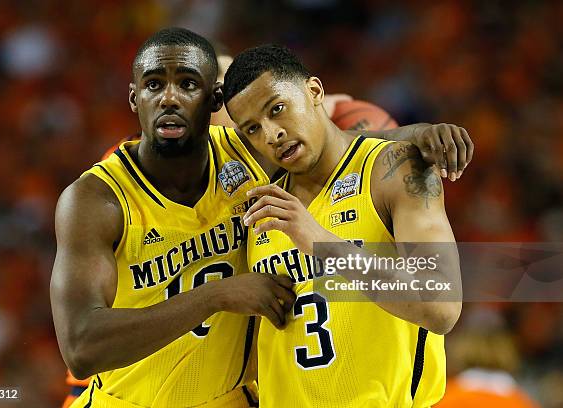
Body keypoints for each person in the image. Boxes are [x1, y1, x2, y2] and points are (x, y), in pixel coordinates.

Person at [52, 28, 472, 407]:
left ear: (212, 102)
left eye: (188, 85)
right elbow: (81, 347)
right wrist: (219, 295)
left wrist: (418, 134)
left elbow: (343, 146)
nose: (169, 98)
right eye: (154, 85)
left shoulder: (251, 161)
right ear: (133, 97)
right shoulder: (98, 197)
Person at [223, 44, 464, 407]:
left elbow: (441, 306)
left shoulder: (392, 169)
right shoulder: (261, 205)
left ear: (315, 91)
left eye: (277, 109)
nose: (271, 135)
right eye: (254, 128)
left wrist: (322, 242)